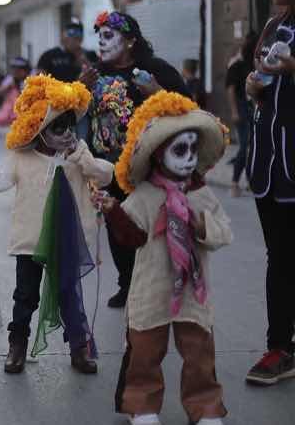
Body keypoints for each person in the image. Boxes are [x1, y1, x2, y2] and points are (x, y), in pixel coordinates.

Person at [95, 92, 231, 425]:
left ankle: (205, 406)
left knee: (199, 352)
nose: (188, 158)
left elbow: (224, 231)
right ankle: (142, 406)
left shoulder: (201, 193)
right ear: (158, 154)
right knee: (145, 351)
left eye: (192, 149)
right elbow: (133, 237)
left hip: (191, 290)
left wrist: (200, 224)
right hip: (152, 285)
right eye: (179, 149)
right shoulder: (145, 195)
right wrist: (113, 212)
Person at [0, 75, 111, 376]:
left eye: (69, 126)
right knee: (25, 296)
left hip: (66, 240)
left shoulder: (78, 153)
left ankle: (79, 348)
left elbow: (105, 176)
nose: (66, 134)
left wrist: (81, 157)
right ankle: (17, 346)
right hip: (29, 241)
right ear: (40, 130)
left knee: (69, 296)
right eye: (57, 127)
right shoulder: (22, 157)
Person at [79, 11, 188, 309]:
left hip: (148, 165)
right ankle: (127, 283)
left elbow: (188, 107)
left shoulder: (155, 69)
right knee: (117, 222)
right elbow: (72, 111)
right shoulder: (94, 73)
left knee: (150, 224)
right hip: (108, 166)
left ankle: (159, 282)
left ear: (130, 41)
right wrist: (79, 87)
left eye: (109, 36)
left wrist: (157, 92)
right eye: (99, 36)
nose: (101, 43)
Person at [243, 0, 295, 387]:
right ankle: (280, 345)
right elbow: (261, 83)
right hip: (269, 164)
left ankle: (283, 344)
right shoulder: (274, 25)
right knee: (279, 257)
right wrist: (252, 85)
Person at [225, 32, 257, 197]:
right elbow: (230, 90)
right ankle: (234, 183)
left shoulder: (252, 65)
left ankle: (250, 181)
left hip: (252, 108)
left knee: (253, 147)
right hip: (241, 108)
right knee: (244, 146)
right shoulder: (236, 65)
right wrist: (234, 111)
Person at [0, 57, 30, 126]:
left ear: (25, 70)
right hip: (9, 115)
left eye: (19, 69)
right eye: (14, 69)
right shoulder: (10, 79)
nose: (16, 72)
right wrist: (8, 87)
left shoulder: (29, 80)